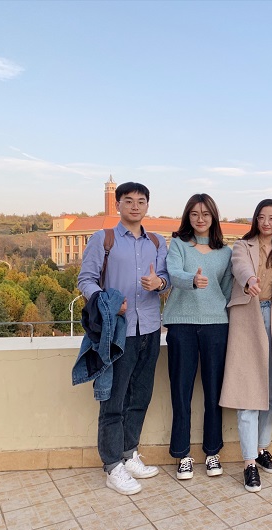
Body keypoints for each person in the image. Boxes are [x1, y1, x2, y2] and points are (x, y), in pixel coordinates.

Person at [78, 182, 169, 495]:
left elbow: (166, 280)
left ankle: (129, 454)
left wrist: (159, 283)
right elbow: (86, 280)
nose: (135, 206)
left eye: (141, 201)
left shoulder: (156, 242)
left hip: (151, 328)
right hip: (118, 332)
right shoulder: (104, 239)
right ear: (118, 204)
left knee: (140, 397)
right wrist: (110, 302)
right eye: (128, 201)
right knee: (114, 401)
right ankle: (112, 465)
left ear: (147, 206)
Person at [218, 199, 272, 493]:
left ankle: (262, 449)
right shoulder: (242, 246)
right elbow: (240, 267)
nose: (266, 222)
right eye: (261, 217)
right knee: (249, 395)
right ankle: (249, 462)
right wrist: (250, 279)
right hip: (249, 318)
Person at [162, 194, 232, 480]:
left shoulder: (225, 252)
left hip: (216, 325)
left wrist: (217, 305)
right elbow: (173, 273)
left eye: (205, 214)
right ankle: (182, 454)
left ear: (213, 217)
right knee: (181, 391)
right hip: (182, 325)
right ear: (187, 217)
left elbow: (227, 289)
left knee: (214, 391)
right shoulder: (178, 244)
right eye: (194, 214)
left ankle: (212, 451)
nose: (200, 219)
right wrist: (192, 280)